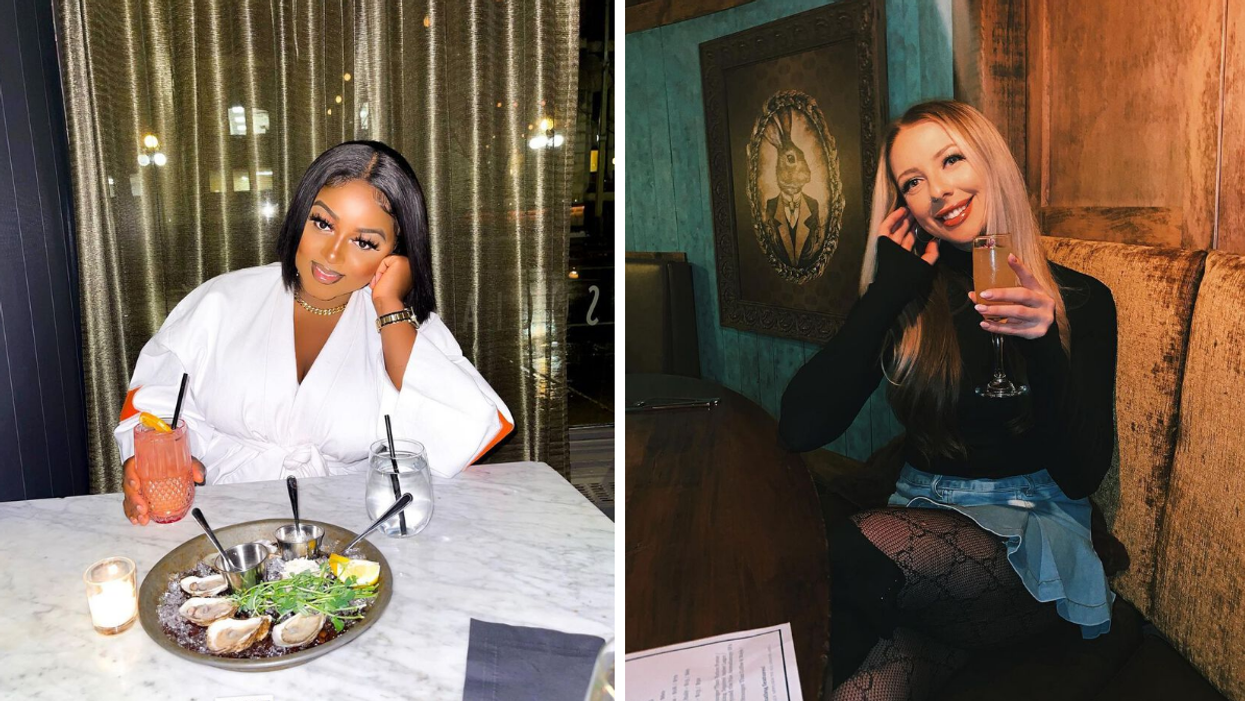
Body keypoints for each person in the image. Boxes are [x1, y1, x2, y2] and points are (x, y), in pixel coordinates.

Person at [778, 101, 1117, 699]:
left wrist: (1042, 347)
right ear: (902, 205)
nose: (937, 191)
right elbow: (801, 426)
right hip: (921, 525)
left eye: (951, 160)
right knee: (860, 691)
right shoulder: (910, 295)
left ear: (990, 162)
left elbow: (1081, 473)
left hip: (1025, 542)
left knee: (852, 544)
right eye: (913, 182)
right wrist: (886, 292)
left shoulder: (1080, 299)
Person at [119, 141, 513, 525]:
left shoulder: (403, 328)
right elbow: (153, 406)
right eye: (322, 223)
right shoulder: (221, 301)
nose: (332, 254)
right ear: (300, 215)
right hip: (222, 519)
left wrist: (390, 305)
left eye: (364, 241)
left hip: (352, 530)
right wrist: (151, 463)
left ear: (396, 252)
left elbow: (469, 429)